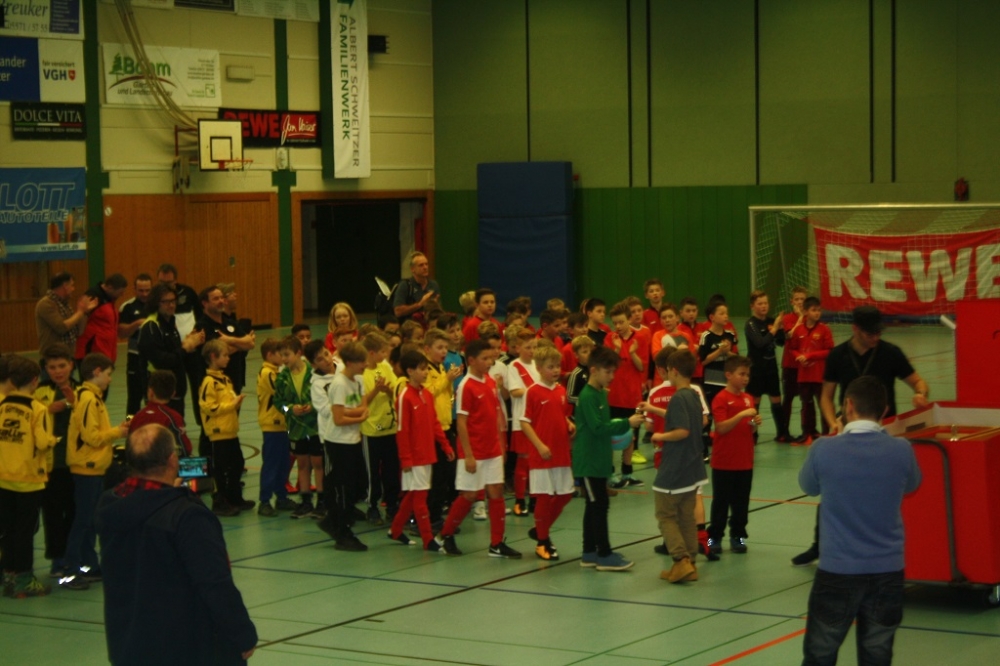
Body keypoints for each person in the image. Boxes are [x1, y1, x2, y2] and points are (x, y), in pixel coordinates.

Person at [97, 423, 258, 665]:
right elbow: (214, 582)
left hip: (129, 646)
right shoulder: (186, 516)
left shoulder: (110, 505)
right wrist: (242, 633)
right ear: (172, 460)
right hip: (185, 648)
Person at [790, 305, 930, 567]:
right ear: (855, 329)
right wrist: (833, 423)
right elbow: (827, 396)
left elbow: (918, 382)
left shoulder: (890, 353)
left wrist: (921, 394)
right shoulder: (838, 355)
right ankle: (820, 545)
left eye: (878, 332)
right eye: (869, 333)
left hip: (884, 433)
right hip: (849, 432)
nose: (875, 337)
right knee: (834, 492)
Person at [798, 376, 921, 666]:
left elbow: (808, 485)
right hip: (887, 569)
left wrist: (837, 435)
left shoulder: (824, 448)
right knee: (877, 653)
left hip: (838, 570)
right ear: (885, 409)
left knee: (820, 653)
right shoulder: (902, 449)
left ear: (848, 405)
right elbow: (913, 484)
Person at [433, 339, 521, 558]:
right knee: (470, 494)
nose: (490, 362)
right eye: (485, 358)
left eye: (491, 358)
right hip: (473, 451)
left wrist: (501, 446)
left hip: (492, 449)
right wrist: (469, 455)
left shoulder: (490, 382)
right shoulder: (466, 386)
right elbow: (461, 422)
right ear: (471, 360)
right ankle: (445, 534)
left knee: (496, 492)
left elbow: (495, 415)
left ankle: (497, 543)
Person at [573, 345, 645, 571]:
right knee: (599, 505)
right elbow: (597, 427)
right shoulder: (588, 396)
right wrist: (626, 423)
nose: (612, 376)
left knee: (594, 505)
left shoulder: (602, 393)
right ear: (593, 370)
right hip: (589, 461)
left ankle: (589, 552)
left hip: (600, 459)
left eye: (614, 371)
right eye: (608, 372)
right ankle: (603, 554)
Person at [63, 353, 130, 590]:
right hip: (86, 467)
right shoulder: (88, 400)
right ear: (97, 372)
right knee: (83, 520)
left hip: (94, 466)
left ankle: (88, 564)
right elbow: (91, 437)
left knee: (90, 519)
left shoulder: (92, 398)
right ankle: (69, 570)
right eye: (108, 374)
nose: (110, 379)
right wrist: (118, 432)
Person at [644, 350, 708, 583]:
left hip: (675, 466)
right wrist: (654, 410)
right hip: (693, 466)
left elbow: (682, 430)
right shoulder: (693, 395)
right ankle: (691, 562)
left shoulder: (679, 397)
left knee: (665, 515)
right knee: (685, 516)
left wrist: (660, 436)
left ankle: (680, 559)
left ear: (674, 371)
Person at [313, 341, 384, 551]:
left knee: (360, 485)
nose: (365, 365)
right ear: (351, 363)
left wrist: (351, 412)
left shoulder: (359, 379)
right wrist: (358, 416)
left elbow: (363, 405)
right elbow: (338, 419)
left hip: (354, 440)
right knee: (342, 489)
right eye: (362, 362)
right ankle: (343, 532)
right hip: (338, 443)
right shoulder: (339, 385)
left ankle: (332, 520)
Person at [0, 355, 56, 598]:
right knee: (25, 532)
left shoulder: (2, 405)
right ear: (35, 381)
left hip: (3, 477)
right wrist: (53, 440)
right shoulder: (37, 409)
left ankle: (9, 576)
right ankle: (24, 579)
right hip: (28, 480)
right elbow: (42, 442)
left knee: (8, 530)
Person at [389, 349, 455, 550]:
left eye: (426, 369)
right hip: (415, 457)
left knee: (413, 495)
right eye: (422, 369)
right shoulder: (405, 397)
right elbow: (402, 431)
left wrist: (445, 445)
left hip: (428, 454)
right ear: (410, 371)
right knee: (420, 498)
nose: (426, 372)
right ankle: (428, 539)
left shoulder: (426, 394)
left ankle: (396, 530)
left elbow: (434, 423)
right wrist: (406, 459)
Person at [521, 345, 576, 561]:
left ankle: (540, 530)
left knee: (565, 494)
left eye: (557, 366)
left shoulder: (561, 391)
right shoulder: (533, 392)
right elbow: (525, 422)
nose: (555, 371)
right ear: (539, 368)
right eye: (550, 367)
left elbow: (562, 415)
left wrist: (569, 424)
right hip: (542, 455)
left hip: (561, 452)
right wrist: (539, 445)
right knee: (544, 497)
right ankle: (542, 542)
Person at [33, 344, 80, 579]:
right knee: (52, 513)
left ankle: (73, 555)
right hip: (50, 464)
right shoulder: (39, 391)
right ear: (46, 369)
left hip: (75, 462)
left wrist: (72, 404)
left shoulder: (82, 390)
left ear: (71, 365)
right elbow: (32, 415)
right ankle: (57, 558)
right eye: (52, 367)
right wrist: (48, 410)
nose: (58, 371)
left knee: (74, 511)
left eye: (62, 366)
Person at [706, 356, 760, 557]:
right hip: (724, 462)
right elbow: (721, 427)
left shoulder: (748, 398)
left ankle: (738, 536)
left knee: (741, 504)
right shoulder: (721, 398)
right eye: (741, 374)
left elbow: (749, 430)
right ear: (728, 375)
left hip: (744, 461)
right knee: (720, 504)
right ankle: (713, 538)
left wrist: (754, 424)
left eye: (747, 375)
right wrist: (740, 415)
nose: (745, 378)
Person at [198, 339, 250, 517]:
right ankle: (219, 501)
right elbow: (208, 407)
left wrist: (235, 403)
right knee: (220, 468)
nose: (228, 358)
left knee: (237, 463)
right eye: (225, 355)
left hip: (230, 430)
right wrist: (231, 405)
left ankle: (234, 497)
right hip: (218, 432)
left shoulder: (225, 379)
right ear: (213, 357)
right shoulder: (209, 382)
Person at [137, 284, 203, 417]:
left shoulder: (170, 323)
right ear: (156, 303)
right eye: (166, 302)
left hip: (175, 391)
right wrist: (185, 348)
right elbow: (161, 361)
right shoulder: (151, 327)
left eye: (173, 301)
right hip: (160, 394)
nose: (171, 305)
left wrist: (188, 343)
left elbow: (174, 353)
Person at [277, 337, 323, 518]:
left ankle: (322, 502)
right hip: (296, 428)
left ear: (298, 353)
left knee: (318, 463)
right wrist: (290, 409)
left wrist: (313, 406)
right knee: (302, 464)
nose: (284, 359)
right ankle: (306, 501)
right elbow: (279, 404)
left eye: (287, 354)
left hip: (315, 427)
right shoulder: (282, 377)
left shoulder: (314, 372)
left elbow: (324, 396)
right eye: (281, 355)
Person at [361, 331, 402, 525]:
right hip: (371, 430)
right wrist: (376, 390)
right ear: (371, 352)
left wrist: (387, 390)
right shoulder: (362, 373)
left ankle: (392, 505)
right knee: (372, 473)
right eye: (383, 352)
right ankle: (372, 506)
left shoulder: (385, 367)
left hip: (390, 428)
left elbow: (396, 391)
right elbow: (362, 402)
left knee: (391, 470)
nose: (386, 355)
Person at [605, 302, 647, 488]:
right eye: (615, 323)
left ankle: (627, 473)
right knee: (610, 437)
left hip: (633, 397)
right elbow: (608, 366)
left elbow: (641, 367)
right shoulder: (610, 338)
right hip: (613, 397)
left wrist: (633, 353)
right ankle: (609, 473)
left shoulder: (640, 338)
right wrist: (616, 349)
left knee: (631, 437)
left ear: (629, 320)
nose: (618, 326)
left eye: (621, 322)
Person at [256, 338, 296, 517]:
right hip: (271, 425)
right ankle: (264, 501)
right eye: (281, 354)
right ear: (270, 355)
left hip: (282, 424)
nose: (283, 357)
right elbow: (281, 394)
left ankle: (281, 497)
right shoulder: (267, 373)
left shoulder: (276, 372)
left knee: (283, 463)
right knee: (271, 463)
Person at [786, 296, 834, 445]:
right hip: (804, 376)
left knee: (823, 405)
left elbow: (829, 351)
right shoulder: (799, 330)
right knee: (806, 405)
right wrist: (799, 356)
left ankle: (826, 433)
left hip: (819, 375)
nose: (817, 313)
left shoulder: (824, 329)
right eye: (814, 310)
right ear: (806, 312)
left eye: (819, 310)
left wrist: (810, 356)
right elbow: (792, 348)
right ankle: (807, 433)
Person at [505, 326, 539, 515]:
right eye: (528, 347)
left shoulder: (537, 364)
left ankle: (534, 498)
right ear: (518, 348)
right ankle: (519, 500)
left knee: (535, 461)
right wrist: (536, 391)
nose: (532, 351)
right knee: (524, 460)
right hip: (522, 421)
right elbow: (515, 391)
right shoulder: (514, 366)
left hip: (538, 420)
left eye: (534, 347)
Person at [744, 290, 786, 441]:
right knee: (754, 403)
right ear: (752, 306)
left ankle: (782, 433)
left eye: (766, 303)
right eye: (760, 303)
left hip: (771, 368)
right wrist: (774, 329)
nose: (764, 306)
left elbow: (781, 342)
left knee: (776, 400)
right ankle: (752, 434)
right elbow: (760, 343)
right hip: (756, 369)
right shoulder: (751, 324)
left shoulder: (771, 321)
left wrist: (780, 328)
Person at [129, 369, 193, 455]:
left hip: (138, 461)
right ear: (173, 394)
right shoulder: (173, 417)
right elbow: (184, 449)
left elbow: (130, 446)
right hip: (162, 462)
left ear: (150, 392)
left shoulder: (137, 416)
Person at [35, 272, 97, 356]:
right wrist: (80, 312)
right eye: (72, 285)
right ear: (65, 286)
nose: (73, 289)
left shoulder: (65, 304)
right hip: (52, 357)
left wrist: (85, 312)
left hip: (68, 355)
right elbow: (62, 327)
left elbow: (79, 331)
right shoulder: (46, 304)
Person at [118, 274, 153, 416]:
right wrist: (137, 324)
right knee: (134, 399)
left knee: (154, 399)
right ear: (134, 289)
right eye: (141, 290)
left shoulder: (158, 304)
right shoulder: (127, 307)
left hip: (154, 358)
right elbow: (121, 333)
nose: (144, 294)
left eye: (147, 290)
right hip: (135, 357)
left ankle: (153, 426)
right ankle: (130, 426)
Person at [75, 274, 128, 366]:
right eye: (120, 292)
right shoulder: (92, 296)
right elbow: (81, 320)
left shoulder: (109, 298)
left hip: (105, 350)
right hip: (92, 350)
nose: (122, 295)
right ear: (110, 287)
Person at [778, 286, 808, 442]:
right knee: (788, 398)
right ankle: (784, 431)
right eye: (797, 299)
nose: (800, 302)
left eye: (802, 299)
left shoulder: (811, 318)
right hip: (790, 365)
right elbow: (790, 334)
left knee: (806, 399)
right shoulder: (788, 318)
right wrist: (800, 318)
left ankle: (806, 431)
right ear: (792, 302)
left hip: (805, 366)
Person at [394, 251, 442, 325]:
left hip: (429, 325)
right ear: (412, 269)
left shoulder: (433, 285)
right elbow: (398, 312)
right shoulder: (405, 285)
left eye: (426, 264)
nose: (425, 267)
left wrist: (434, 305)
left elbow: (438, 311)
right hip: (410, 326)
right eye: (421, 265)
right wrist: (420, 304)